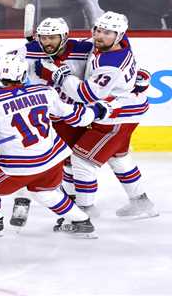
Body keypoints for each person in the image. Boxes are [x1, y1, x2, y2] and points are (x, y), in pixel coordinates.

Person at [0, 54, 113, 238]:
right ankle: (81, 221)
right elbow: (75, 116)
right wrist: (97, 110)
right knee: (46, 193)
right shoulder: (44, 92)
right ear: (23, 75)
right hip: (53, 158)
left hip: (20, 166)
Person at [38, 11, 158, 218]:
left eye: (107, 33)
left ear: (118, 36)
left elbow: (86, 94)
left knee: (82, 160)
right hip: (125, 111)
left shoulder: (111, 65)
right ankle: (141, 202)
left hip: (117, 116)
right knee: (118, 157)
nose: (99, 36)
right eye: (98, 30)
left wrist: (61, 76)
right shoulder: (114, 43)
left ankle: (84, 212)